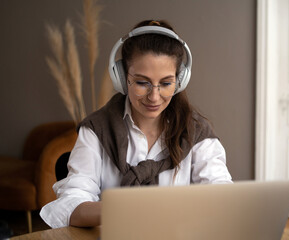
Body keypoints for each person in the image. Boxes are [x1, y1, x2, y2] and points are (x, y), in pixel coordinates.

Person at [40, 20, 232, 228]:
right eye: (142, 83)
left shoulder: (197, 133)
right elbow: (70, 204)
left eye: (166, 83)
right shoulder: (96, 129)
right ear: (122, 78)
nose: (154, 96)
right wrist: (128, 210)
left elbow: (221, 197)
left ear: (180, 81)